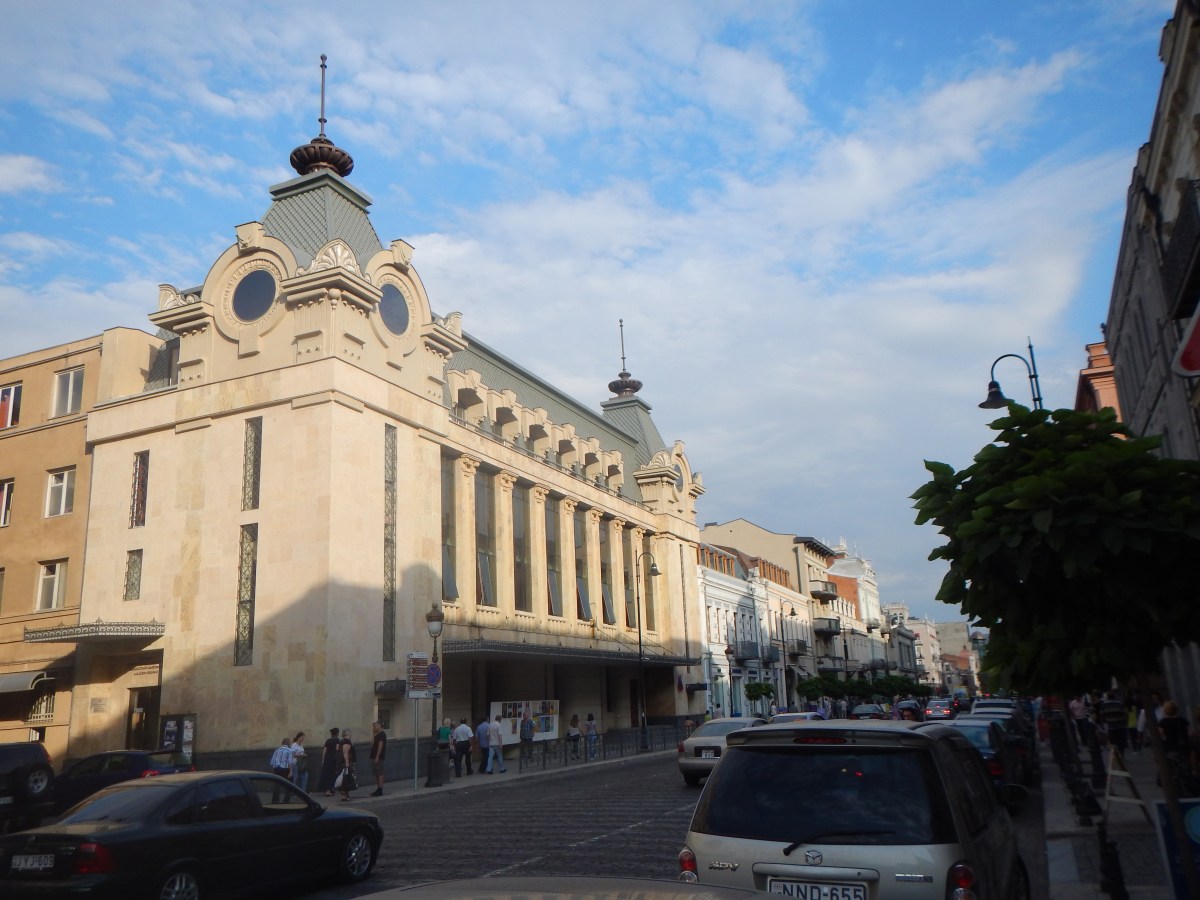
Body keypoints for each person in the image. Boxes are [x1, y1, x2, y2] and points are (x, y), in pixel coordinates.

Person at [319, 727, 340, 796]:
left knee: (327, 775)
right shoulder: (337, 740)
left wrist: (323, 760)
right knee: (333, 775)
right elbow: (337, 749)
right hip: (334, 760)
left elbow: (324, 751)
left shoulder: (328, 741)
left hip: (327, 760)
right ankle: (329, 790)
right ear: (337, 733)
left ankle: (328, 790)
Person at [338, 728, 357, 801]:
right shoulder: (346, 741)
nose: (351, 734)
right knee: (346, 778)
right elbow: (345, 752)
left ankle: (346, 795)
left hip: (342, 763)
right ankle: (345, 795)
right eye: (350, 733)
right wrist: (347, 762)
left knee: (345, 778)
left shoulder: (342, 741)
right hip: (346, 763)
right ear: (348, 733)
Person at [369, 721, 387, 797]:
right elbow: (371, 744)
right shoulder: (377, 734)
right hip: (374, 756)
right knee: (377, 773)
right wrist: (373, 734)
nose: (374, 728)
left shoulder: (382, 734)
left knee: (380, 773)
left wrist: (377, 756)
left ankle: (380, 790)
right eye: (373, 726)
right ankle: (378, 789)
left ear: (379, 726)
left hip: (379, 757)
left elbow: (380, 745)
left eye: (375, 726)